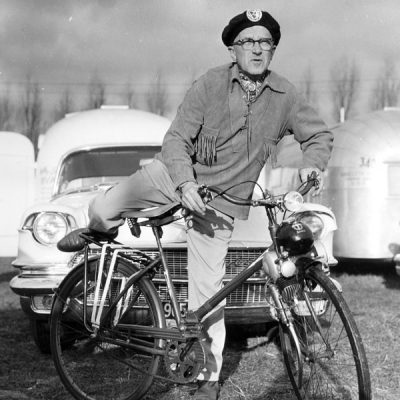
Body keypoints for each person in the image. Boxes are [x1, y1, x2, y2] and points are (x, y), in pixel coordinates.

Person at [82, 9, 333, 400]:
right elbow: (176, 140)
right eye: (248, 41)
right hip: (173, 176)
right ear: (233, 49)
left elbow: (318, 136)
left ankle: (208, 377)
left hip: (221, 204)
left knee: (208, 293)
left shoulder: (286, 96)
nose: (257, 49)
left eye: (265, 42)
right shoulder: (210, 84)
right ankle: (97, 233)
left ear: (273, 50)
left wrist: (313, 165)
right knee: (103, 207)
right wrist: (184, 183)